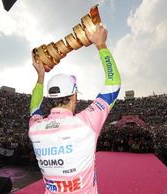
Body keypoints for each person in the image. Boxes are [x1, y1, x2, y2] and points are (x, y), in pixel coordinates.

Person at [28, 23, 121, 194]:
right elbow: (113, 85)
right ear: (75, 96)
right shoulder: (85, 124)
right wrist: (101, 45)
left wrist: (40, 77)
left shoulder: (35, 128)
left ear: (51, 98)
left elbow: (34, 107)